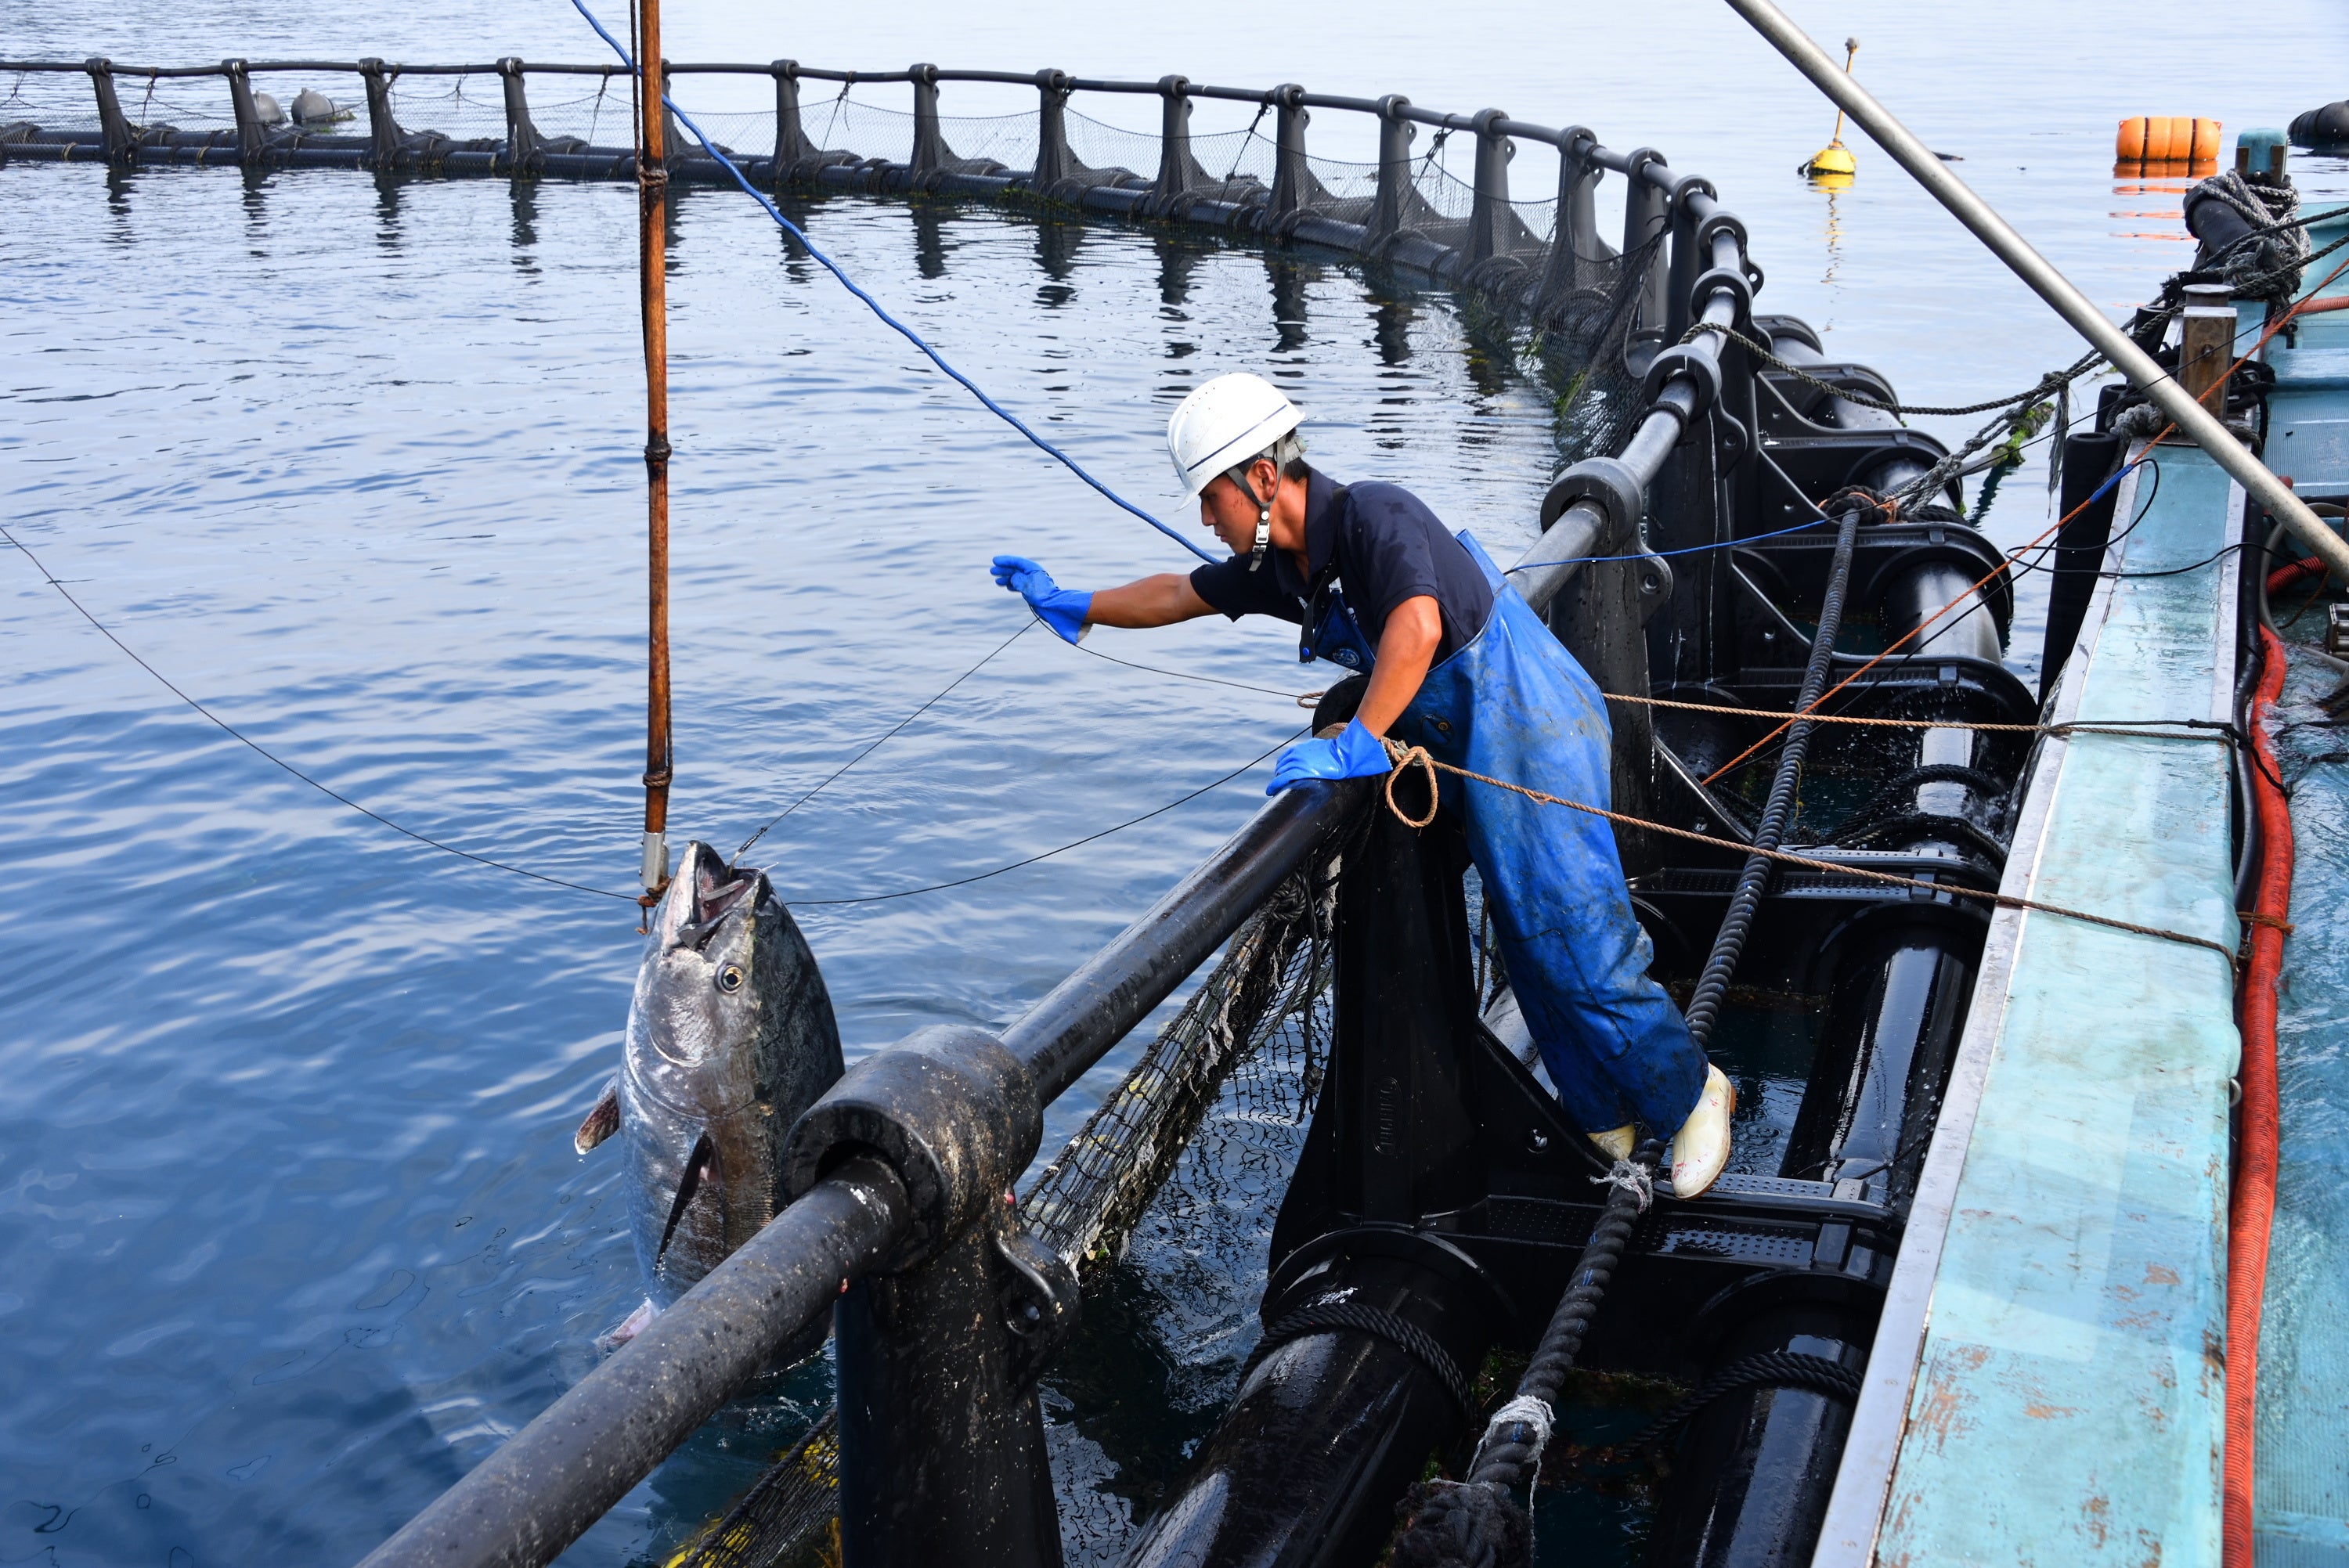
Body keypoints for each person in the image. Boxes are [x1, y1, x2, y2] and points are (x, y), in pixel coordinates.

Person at [990, 373, 1733, 1195]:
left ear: (1262, 479)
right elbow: (1182, 591)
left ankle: (1692, 1090)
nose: (1207, 519)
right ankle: (1605, 1105)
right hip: (1480, 746)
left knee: (1575, 929)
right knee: (1525, 938)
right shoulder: (1290, 565)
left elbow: (1415, 626)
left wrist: (1361, 741)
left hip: (1533, 727)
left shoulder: (1375, 515)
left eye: (1211, 498)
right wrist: (1075, 603)